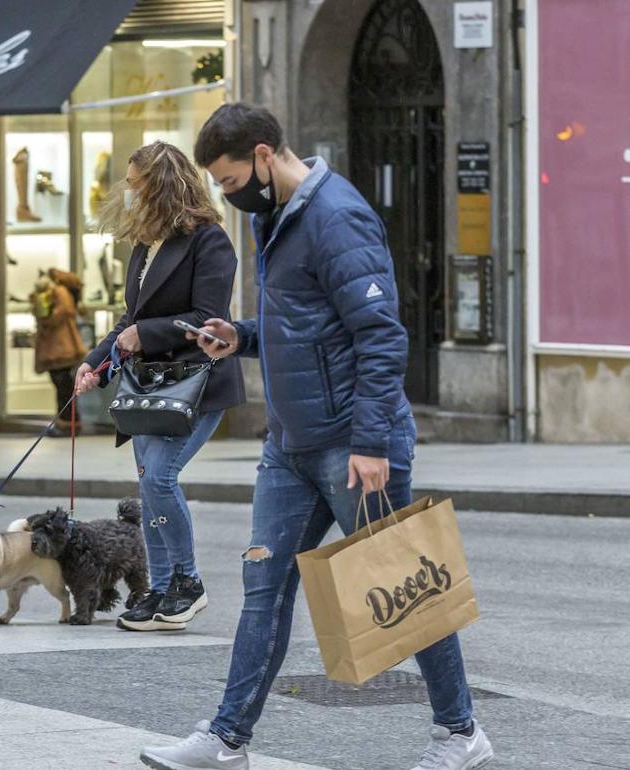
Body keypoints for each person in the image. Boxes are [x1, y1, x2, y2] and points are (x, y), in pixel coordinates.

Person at [139, 103, 492, 770]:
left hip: (351, 446)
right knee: (263, 592)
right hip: (289, 447)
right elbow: (306, 321)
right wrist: (238, 336)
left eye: (230, 177)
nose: (226, 192)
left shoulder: (336, 216)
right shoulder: (279, 217)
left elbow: (381, 336)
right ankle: (226, 740)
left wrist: (371, 442)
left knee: (408, 590)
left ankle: (460, 732)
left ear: (265, 156)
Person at [75, 141, 245, 633]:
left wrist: (145, 334)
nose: (128, 193)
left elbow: (207, 319)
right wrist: (96, 363)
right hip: (151, 387)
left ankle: (187, 584)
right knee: (150, 487)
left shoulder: (208, 239)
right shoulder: (145, 244)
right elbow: (132, 318)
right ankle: (161, 587)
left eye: (135, 184)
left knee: (159, 479)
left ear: (160, 186)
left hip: (196, 382)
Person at [31, 267, 86, 435]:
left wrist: (46, 319)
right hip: (60, 345)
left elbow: (64, 311)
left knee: (63, 385)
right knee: (63, 385)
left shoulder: (59, 291)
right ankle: (67, 422)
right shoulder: (60, 291)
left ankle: (68, 423)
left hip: (60, 346)